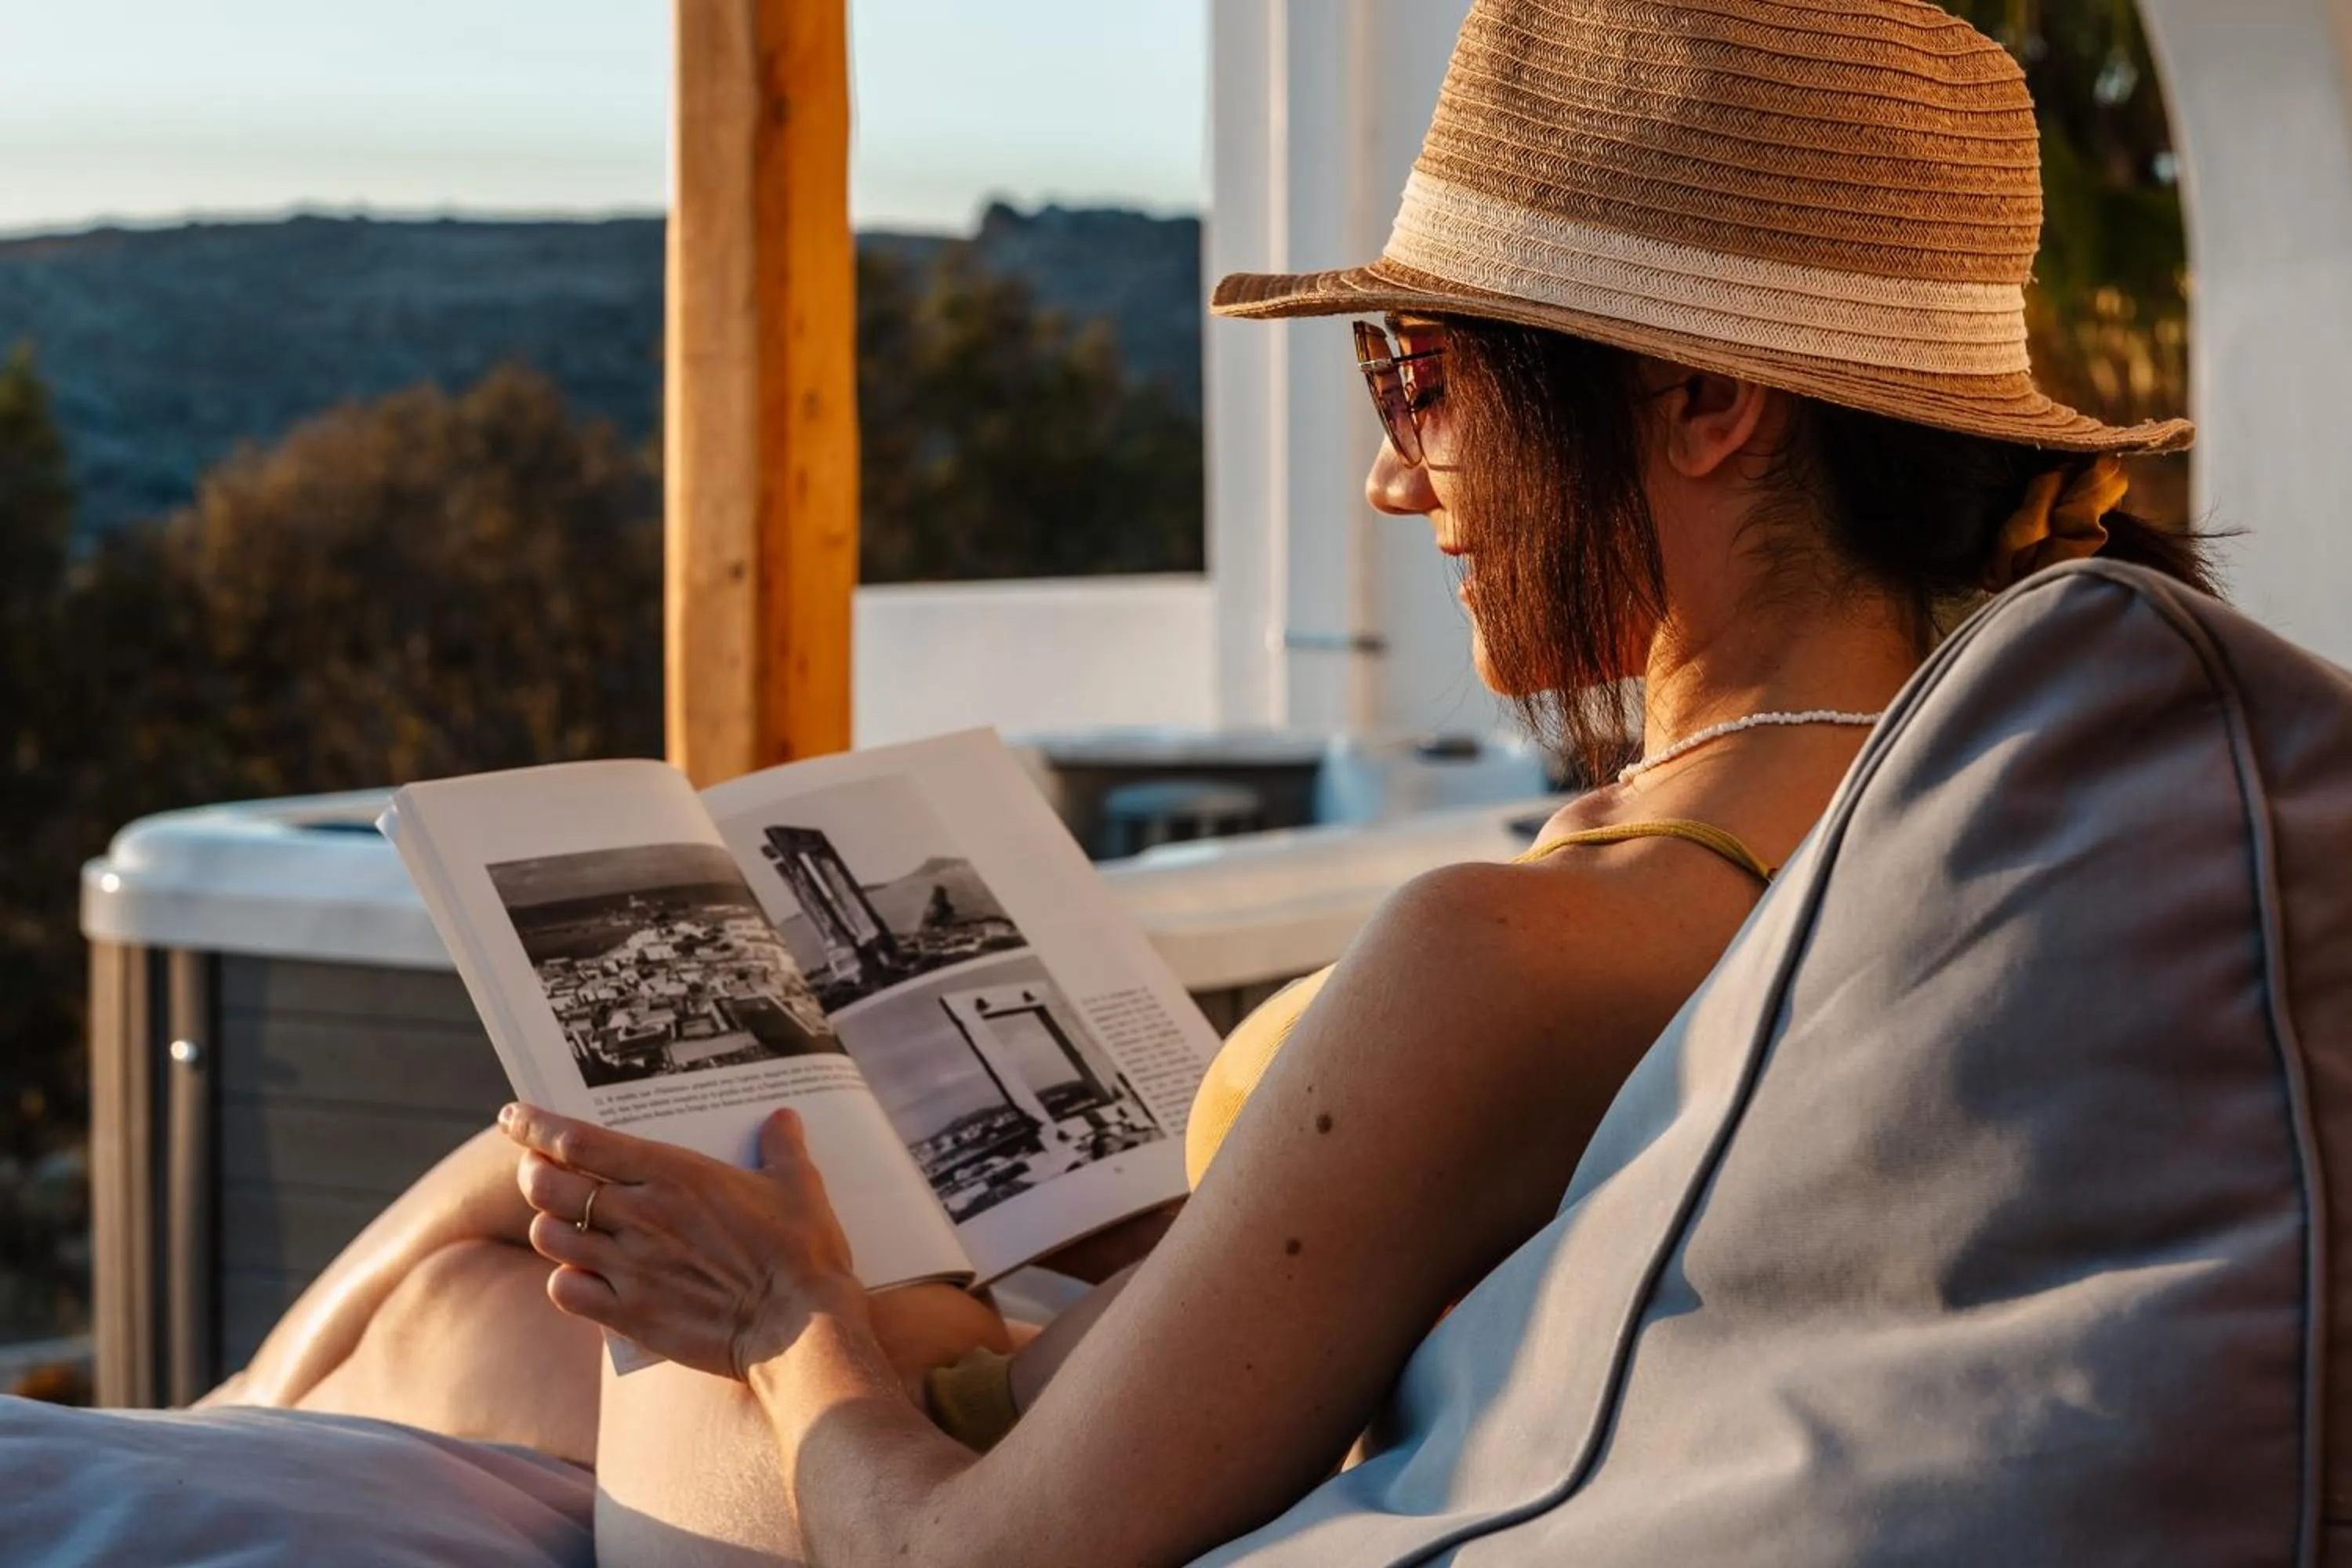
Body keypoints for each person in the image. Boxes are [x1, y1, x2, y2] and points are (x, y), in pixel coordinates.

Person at [210, 0, 2209, 1561]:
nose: (1392, 475)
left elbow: (979, 1552)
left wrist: (782, 1313)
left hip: (911, 1496)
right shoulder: (1912, 821)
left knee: (506, 1246)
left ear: (1705, 403)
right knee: (506, 1236)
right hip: (1071, 1368)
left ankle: (171, 1448)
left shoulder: (1531, 939)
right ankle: (206, 1432)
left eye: (1422, 379)